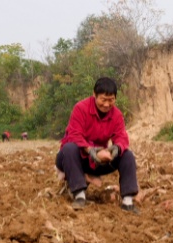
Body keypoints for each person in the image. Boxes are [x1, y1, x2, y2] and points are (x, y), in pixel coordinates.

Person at [55, 77, 140, 214]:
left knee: (127, 155)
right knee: (69, 148)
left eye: (111, 100)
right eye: (103, 99)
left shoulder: (117, 115)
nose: (106, 104)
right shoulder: (80, 108)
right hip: (78, 158)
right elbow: (74, 134)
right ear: (94, 95)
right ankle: (79, 195)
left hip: (98, 161)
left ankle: (128, 201)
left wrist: (116, 148)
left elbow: (121, 137)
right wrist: (90, 150)